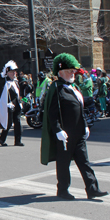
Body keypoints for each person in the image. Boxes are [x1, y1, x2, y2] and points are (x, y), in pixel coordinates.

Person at [41, 53, 108, 200]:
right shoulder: (56, 89)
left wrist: (84, 126)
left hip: (78, 133)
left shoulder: (74, 87)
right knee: (63, 164)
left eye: (73, 71)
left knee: (84, 162)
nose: (73, 73)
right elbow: (52, 113)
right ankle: (63, 190)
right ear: (60, 72)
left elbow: (80, 109)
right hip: (65, 134)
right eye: (69, 71)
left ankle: (92, 189)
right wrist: (58, 130)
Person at [0, 60, 24, 147]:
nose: (14, 73)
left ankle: (18, 140)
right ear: (7, 73)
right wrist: (7, 103)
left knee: (18, 123)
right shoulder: (5, 83)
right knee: (8, 123)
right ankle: (2, 139)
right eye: (12, 72)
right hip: (9, 106)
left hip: (16, 105)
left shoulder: (15, 82)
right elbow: (1, 96)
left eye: (14, 72)